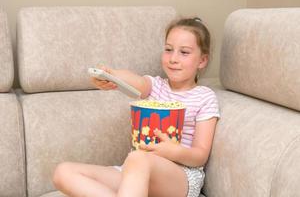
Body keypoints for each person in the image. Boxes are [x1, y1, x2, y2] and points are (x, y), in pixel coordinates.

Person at [52, 17, 220, 197]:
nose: (173, 59)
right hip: (136, 172)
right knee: (63, 172)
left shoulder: (204, 97)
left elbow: (200, 155)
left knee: (138, 157)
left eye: (184, 52)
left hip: (180, 176)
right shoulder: (155, 86)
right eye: (168, 50)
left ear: (202, 61)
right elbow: (134, 80)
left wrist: (175, 151)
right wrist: (111, 75)